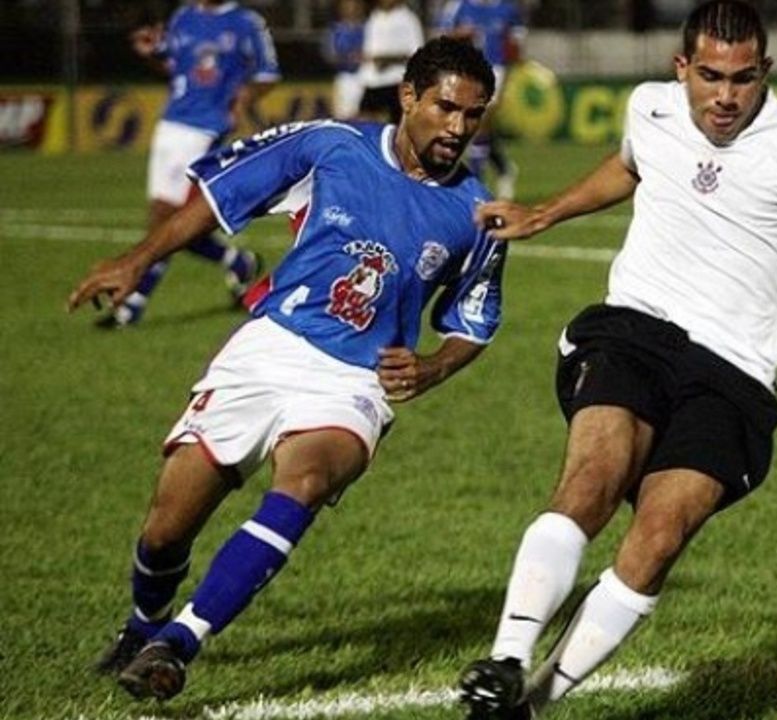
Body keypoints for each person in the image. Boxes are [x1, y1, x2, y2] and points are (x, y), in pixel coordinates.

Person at [455, 2, 777, 718]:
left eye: (743, 79)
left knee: (658, 536)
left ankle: (529, 705)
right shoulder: (649, 109)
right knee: (593, 477)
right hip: (633, 331)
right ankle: (505, 659)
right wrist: (545, 210)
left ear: (765, 73)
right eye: (710, 76)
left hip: (734, 372)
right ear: (681, 68)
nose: (725, 96)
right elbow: (628, 165)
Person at [68, 38, 502, 701]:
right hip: (271, 348)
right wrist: (136, 260)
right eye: (446, 108)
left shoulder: (476, 212)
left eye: (474, 115)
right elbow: (218, 201)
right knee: (164, 529)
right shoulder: (330, 146)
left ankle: (177, 644)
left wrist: (433, 367)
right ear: (409, 96)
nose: (458, 128)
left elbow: (473, 318)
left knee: (303, 482)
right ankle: (142, 625)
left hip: (355, 382)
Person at [100, 0, 279, 328]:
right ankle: (237, 261)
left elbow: (268, 74)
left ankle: (133, 305)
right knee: (163, 218)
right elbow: (174, 67)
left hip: (206, 127)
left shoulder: (246, 21)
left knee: (169, 219)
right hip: (171, 122)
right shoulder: (183, 15)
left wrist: (242, 99)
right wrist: (151, 52)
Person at [435, 0, 526, 199]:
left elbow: (516, 46)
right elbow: (440, 37)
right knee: (474, 127)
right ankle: (503, 168)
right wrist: (459, 34)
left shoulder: (508, 9)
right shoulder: (458, 6)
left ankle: (476, 185)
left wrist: (512, 75)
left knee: (481, 121)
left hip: (496, 69)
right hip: (465, 70)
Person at [358, 0, 425, 124]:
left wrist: (388, 60)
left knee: (397, 126)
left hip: (395, 81)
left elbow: (417, 52)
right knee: (364, 123)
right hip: (372, 81)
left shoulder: (408, 19)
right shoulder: (374, 17)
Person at [326, 0, 366, 120]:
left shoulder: (368, 27)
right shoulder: (335, 30)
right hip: (345, 77)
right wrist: (347, 58)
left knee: (364, 116)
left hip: (365, 76)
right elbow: (330, 55)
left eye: (354, 5)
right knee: (343, 116)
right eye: (347, 6)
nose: (351, 9)